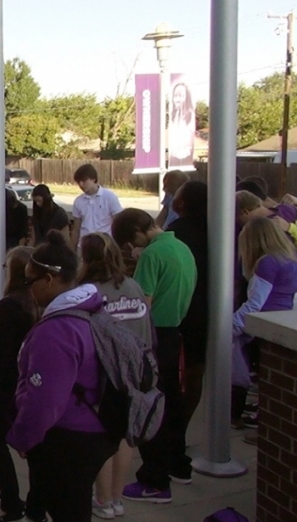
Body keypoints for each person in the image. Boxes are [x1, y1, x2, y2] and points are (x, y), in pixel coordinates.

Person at [6, 231, 116, 522]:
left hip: (67, 439)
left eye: (30, 282)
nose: (28, 289)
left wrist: (23, 437)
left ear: (50, 280)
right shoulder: (92, 308)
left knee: (68, 509)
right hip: (96, 426)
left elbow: (45, 401)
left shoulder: (56, 332)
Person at [112, 208, 196, 504]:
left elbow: (140, 306)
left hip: (153, 337)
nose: (131, 248)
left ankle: (154, 480)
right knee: (172, 405)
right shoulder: (181, 247)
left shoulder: (151, 255)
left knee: (149, 409)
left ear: (137, 230)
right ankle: (178, 465)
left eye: (129, 241)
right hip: (176, 331)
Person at [79, 232, 151, 519]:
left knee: (101, 437)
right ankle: (117, 498)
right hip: (134, 373)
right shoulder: (133, 286)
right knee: (124, 436)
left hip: (103, 374)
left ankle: (103, 498)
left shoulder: (88, 291)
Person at [0, 247, 38, 522]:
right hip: (32, 384)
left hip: (7, 386)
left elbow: (1, 356)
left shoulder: (10, 306)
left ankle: (10, 502)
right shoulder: (37, 303)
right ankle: (35, 503)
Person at [232, 217, 297, 428]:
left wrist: (229, 325)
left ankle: (244, 412)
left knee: (248, 366)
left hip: (262, 324)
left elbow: (255, 303)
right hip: (282, 318)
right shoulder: (291, 258)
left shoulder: (267, 263)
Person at [166, 182, 210, 435]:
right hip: (207, 305)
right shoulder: (215, 228)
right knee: (196, 372)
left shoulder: (176, 232)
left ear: (182, 202)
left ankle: (174, 429)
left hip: (184, 308)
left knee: (179, 372)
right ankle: (180, 428)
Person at [70, 164, 123, 251]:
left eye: (83, 181)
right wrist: (71, 250)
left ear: (93, 178)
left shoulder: (109, 197)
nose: (81, 184)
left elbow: (118, 223)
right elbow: (76, 229)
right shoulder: (78, 201)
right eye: (78, 182)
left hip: (104, 246)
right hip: (84, 247)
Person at [236, 190, 297, 254]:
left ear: (245, 212)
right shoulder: (286, 210)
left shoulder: (255, 229)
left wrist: (290, 227)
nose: (238, 221)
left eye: (238, 218)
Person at [168, 82, 195, 165]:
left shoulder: (190, 116)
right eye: (175, 96)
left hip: (185, 158)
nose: (177, 100)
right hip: (173, 157)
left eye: (181, 96)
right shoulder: (174, 115)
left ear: (187, 98)